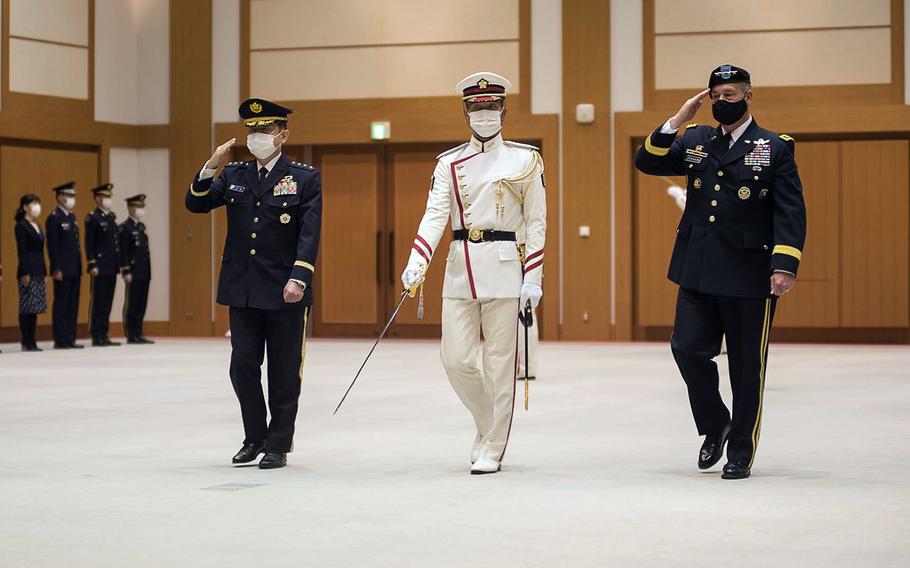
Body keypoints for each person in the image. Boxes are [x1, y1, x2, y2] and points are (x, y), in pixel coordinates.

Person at [635, 64, 807, 479]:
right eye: (715, 96)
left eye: (730, 95)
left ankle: (741, 451)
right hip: (697, 268)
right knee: (687, 349)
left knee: (746, 368)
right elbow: (647, 162)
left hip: (750, 274)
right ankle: (716, 425)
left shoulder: (773, 146)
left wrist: (784, 265)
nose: (721, 103)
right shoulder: (695, 139)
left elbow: (790, 210)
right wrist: (677, 121)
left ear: (748, 96)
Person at [401, 72, 547, 475]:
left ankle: (493, 447)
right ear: (465, 111)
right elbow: (435, 215)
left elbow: (536, 221)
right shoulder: (448, 163)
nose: (484, 114)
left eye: (491, 106)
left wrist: (533, 276)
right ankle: (486, 424)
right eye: (476, 107)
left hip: (504, 266)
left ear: (504, 109)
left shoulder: (525, 158)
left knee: (501, 365)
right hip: (459, 265)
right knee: (456, 360)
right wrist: (418, 260)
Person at [185, 98, 322, 470]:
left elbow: (309, 234)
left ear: (283, 134)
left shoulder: (304, 177)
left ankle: (277, 443)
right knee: (242, 365)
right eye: (252, 130)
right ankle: (253, 436)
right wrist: (211, 165)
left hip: (284, 290)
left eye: (265, 130)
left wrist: (300, 277)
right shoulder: (233, 174)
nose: (258, 136)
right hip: (242, 287)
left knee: (282, 369)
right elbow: (195, 205)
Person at [46, 182, 84, 349]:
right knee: (62, 304)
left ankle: (70, 337)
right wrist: (56, 268)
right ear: (60, 197)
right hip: (62, 269)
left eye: (73, 196)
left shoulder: (71, 217)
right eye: (69, 196)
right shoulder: (54, 217)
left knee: (73, 304)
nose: (71, 199)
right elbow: (52, 246)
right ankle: (60, 339)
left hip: (74, 268)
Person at [85, 183, 120, 346]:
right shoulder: (93, 217)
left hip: (111, 265)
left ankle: (104, 333)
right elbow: (89, 243)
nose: (107, 200)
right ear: (98, 198)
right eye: (105, 197)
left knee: (107, 300)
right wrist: (92, 264)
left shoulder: (111, 217)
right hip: (99, 265)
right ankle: (96, 334)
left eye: (109, 197)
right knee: (98, 301)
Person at [119, 194, 154, 344]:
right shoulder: (125, 228)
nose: (141, 209)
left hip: (144, 270)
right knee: (132, 303)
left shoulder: (141, 227)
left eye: (142, 206)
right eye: (138, 206)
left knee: (141, 303)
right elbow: (123, 251)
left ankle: (139, 332)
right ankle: (131, 333)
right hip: (132, 271)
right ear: (130, 208)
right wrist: (125, 270)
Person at [15, 194, 47, 352]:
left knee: (35, 307)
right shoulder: (21, 225)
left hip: (38, 269)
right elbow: (21, 251)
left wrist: (44, 271)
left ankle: (32, 340)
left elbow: (40, 251)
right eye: (33, 203)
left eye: (37, 202)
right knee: (27, 306)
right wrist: (24, 272)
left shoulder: (37, 225)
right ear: (25, 207)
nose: (37, 206)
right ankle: (26, 341)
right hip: (27, 270)